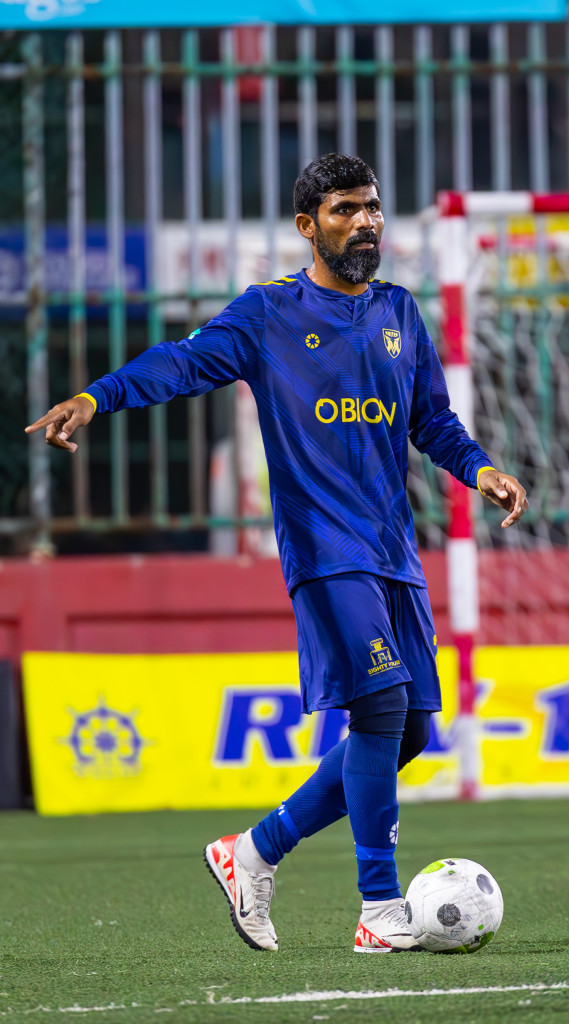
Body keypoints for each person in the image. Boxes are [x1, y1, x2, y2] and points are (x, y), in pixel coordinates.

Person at [25, 154, 529, 954]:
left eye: (371, 208)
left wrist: (482, 470)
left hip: (391, 548)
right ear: (307, 226)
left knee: (410, 735)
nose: (365, 222)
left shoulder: (400, 311)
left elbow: (432, 420)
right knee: (382, 707)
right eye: (344, 210)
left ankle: (253, 851)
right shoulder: (267, 315)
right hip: (323, 547)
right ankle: (377, 906)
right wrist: (96, 396)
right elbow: (181, 364)